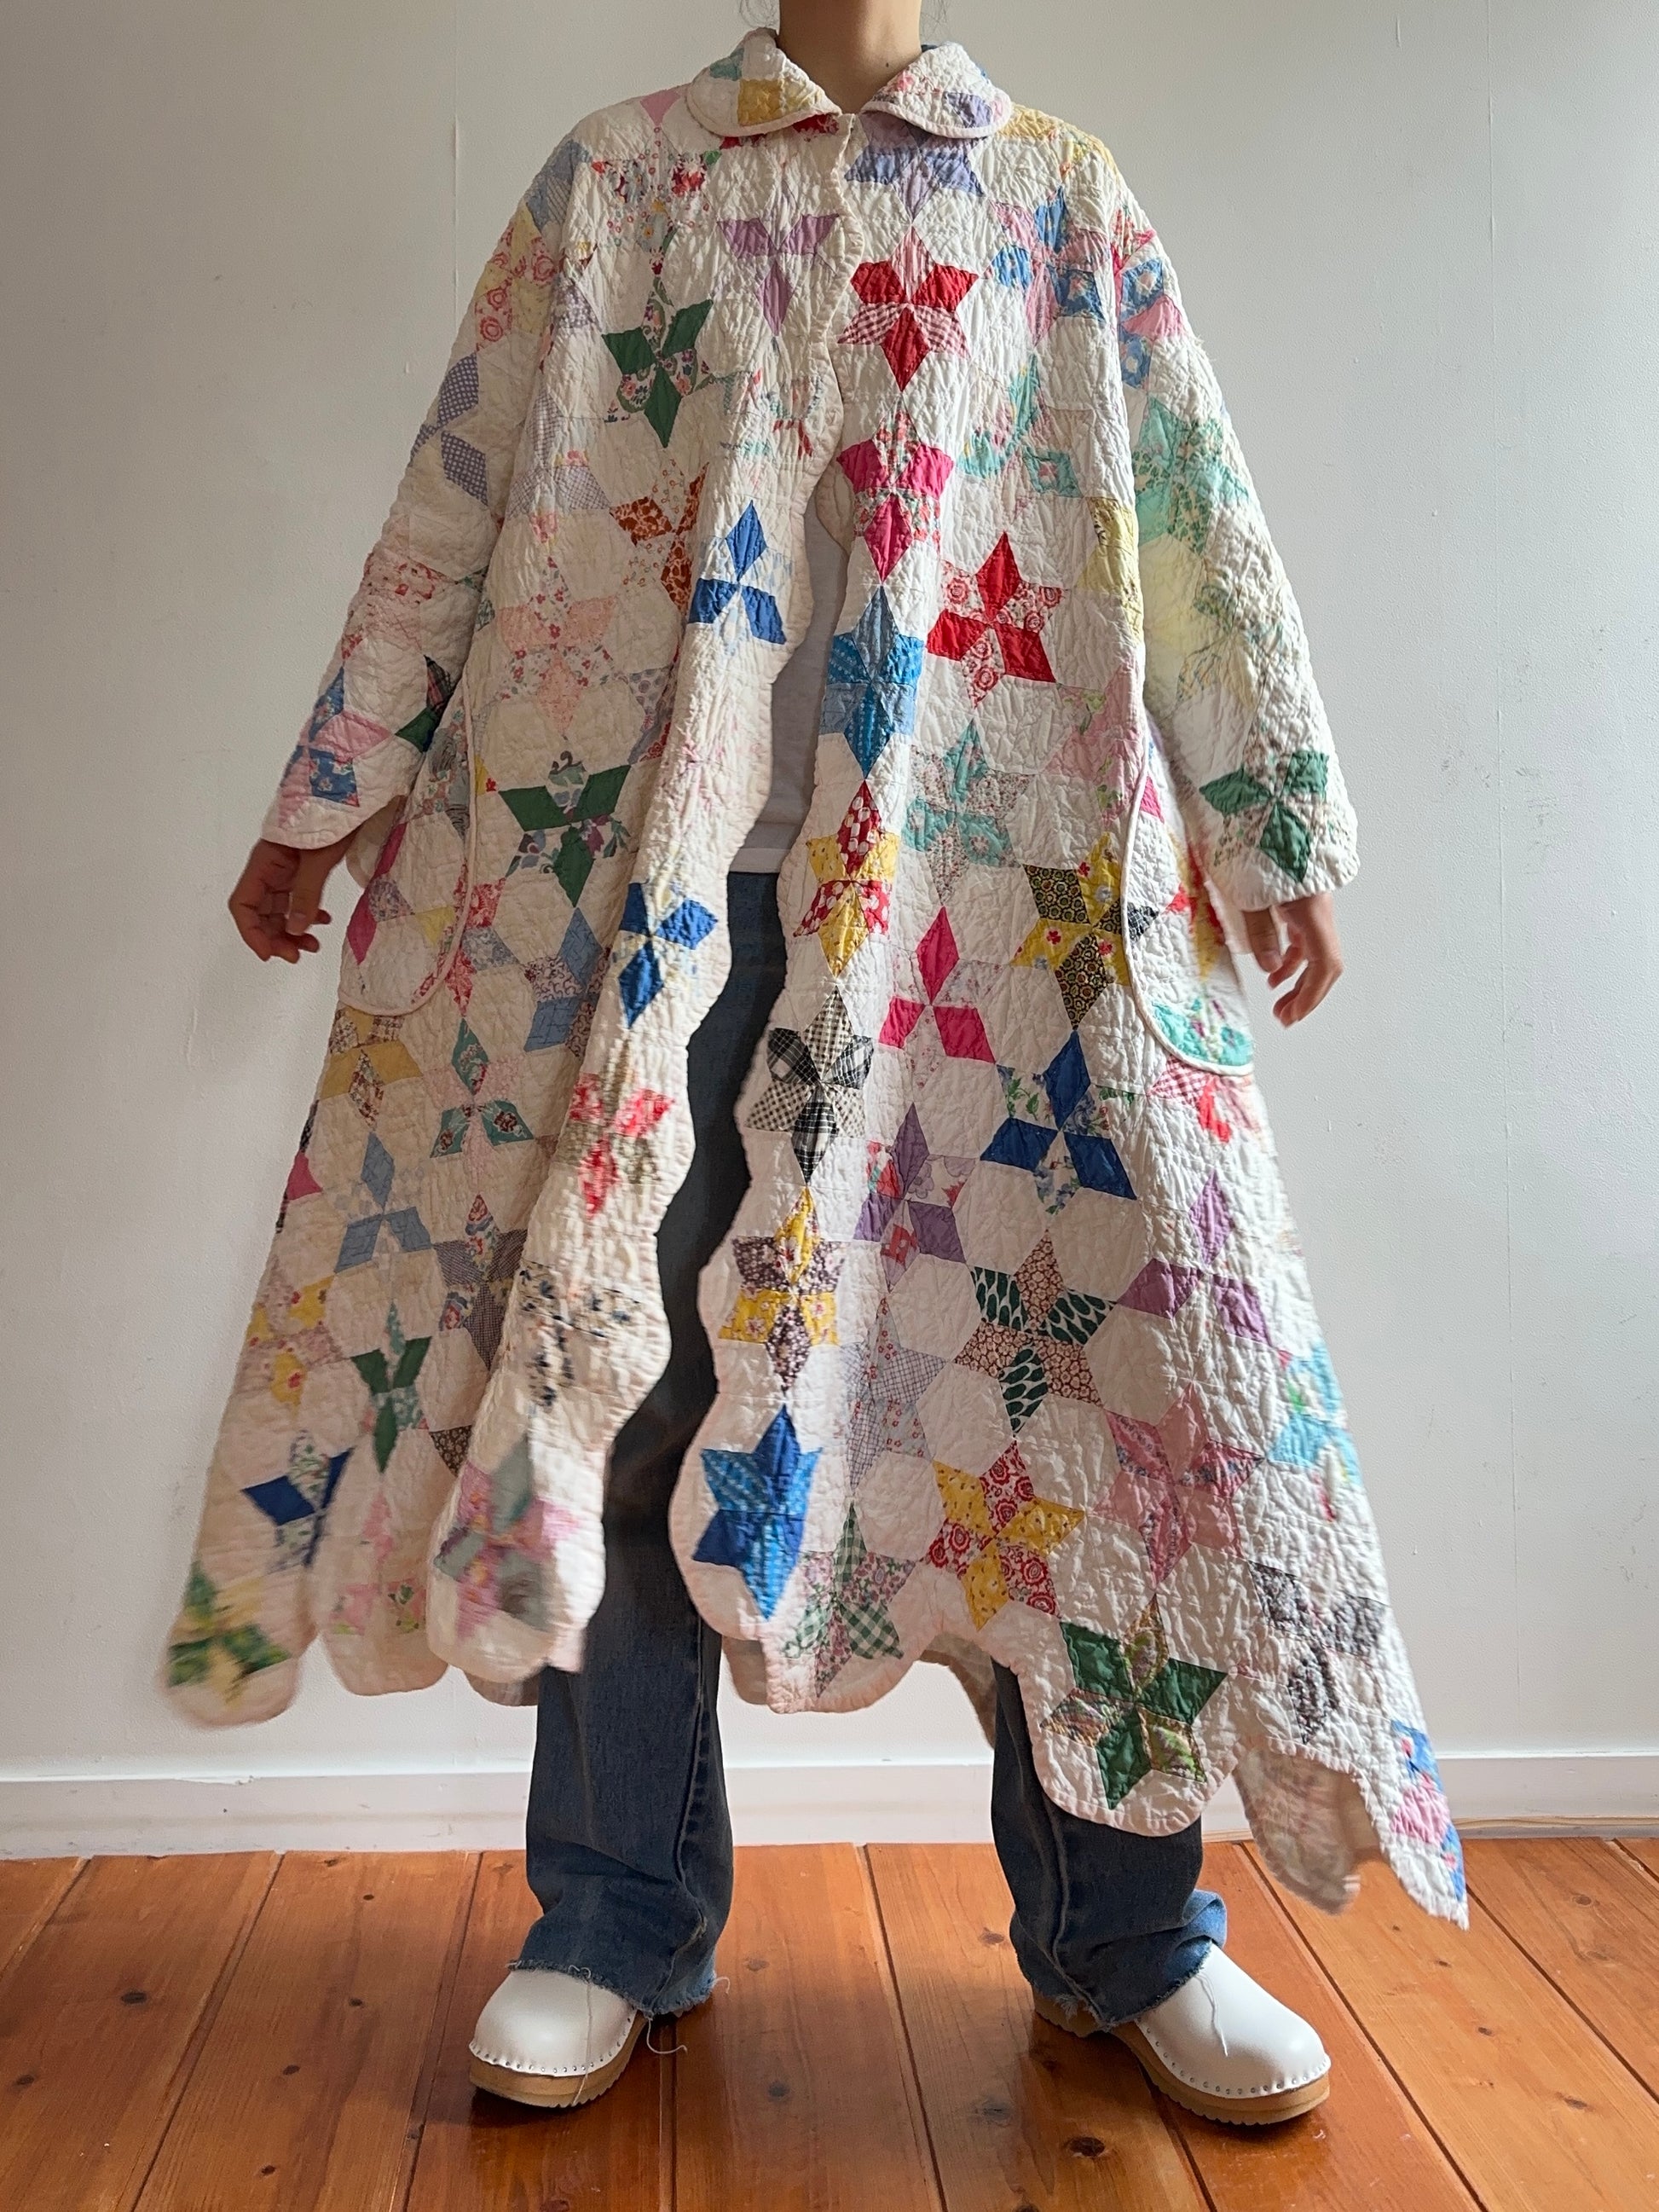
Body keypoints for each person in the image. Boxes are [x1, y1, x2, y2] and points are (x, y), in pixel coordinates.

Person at [182, 0, 1468, 2132]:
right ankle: (614, 1916)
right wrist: (337, 785)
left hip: (996, 918)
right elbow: (463, 496)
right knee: (612, 1398)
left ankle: (1132, 1938)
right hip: (648, 924)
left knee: (1071, 1412)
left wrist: (1271, 825)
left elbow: (1186, 516)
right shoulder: (626, 182)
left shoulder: (1051, 196)